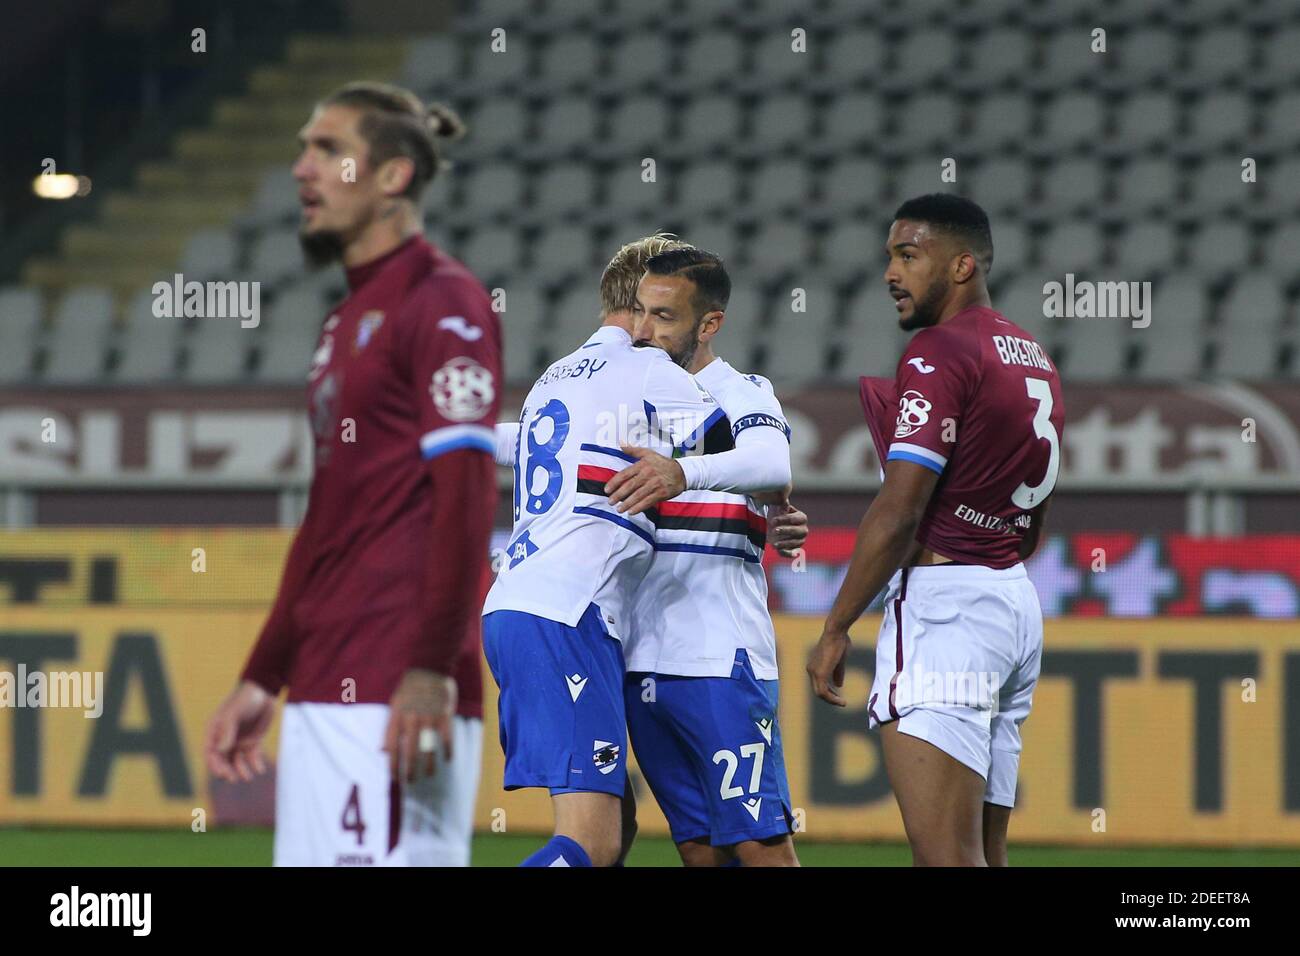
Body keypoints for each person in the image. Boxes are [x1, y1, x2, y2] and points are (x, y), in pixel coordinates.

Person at [205, 82, 501, 867]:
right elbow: (329, 518)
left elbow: (468, 498)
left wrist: (432, 667)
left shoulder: (446, 303)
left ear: (393, 177)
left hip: (395, 685)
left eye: (328, 151)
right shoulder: (344, 321)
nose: (302, 169)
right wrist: (264, 677)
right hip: (326, 683)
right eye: (304, 148)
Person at [482, 236, 791, 866]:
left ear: (707, 323)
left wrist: (758, 495)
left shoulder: (734, 391)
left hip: (712, 654)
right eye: (641, 313)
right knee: (659, 846)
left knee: (744, 850)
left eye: (664, 316)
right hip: (635, 657)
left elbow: (770, 460)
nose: (645, 332)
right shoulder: (638, 383)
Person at [807, 194, 1063, 866]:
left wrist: (836, 627)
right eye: (891, 254)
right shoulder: (1030, 353)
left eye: (909, 255)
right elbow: (1033, 519)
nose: (891, 271)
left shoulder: (938, 352)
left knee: (945, 858)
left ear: (961, 265)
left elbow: (900, 511)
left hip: (948, 616)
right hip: (1012, 600)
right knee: (985, 854)